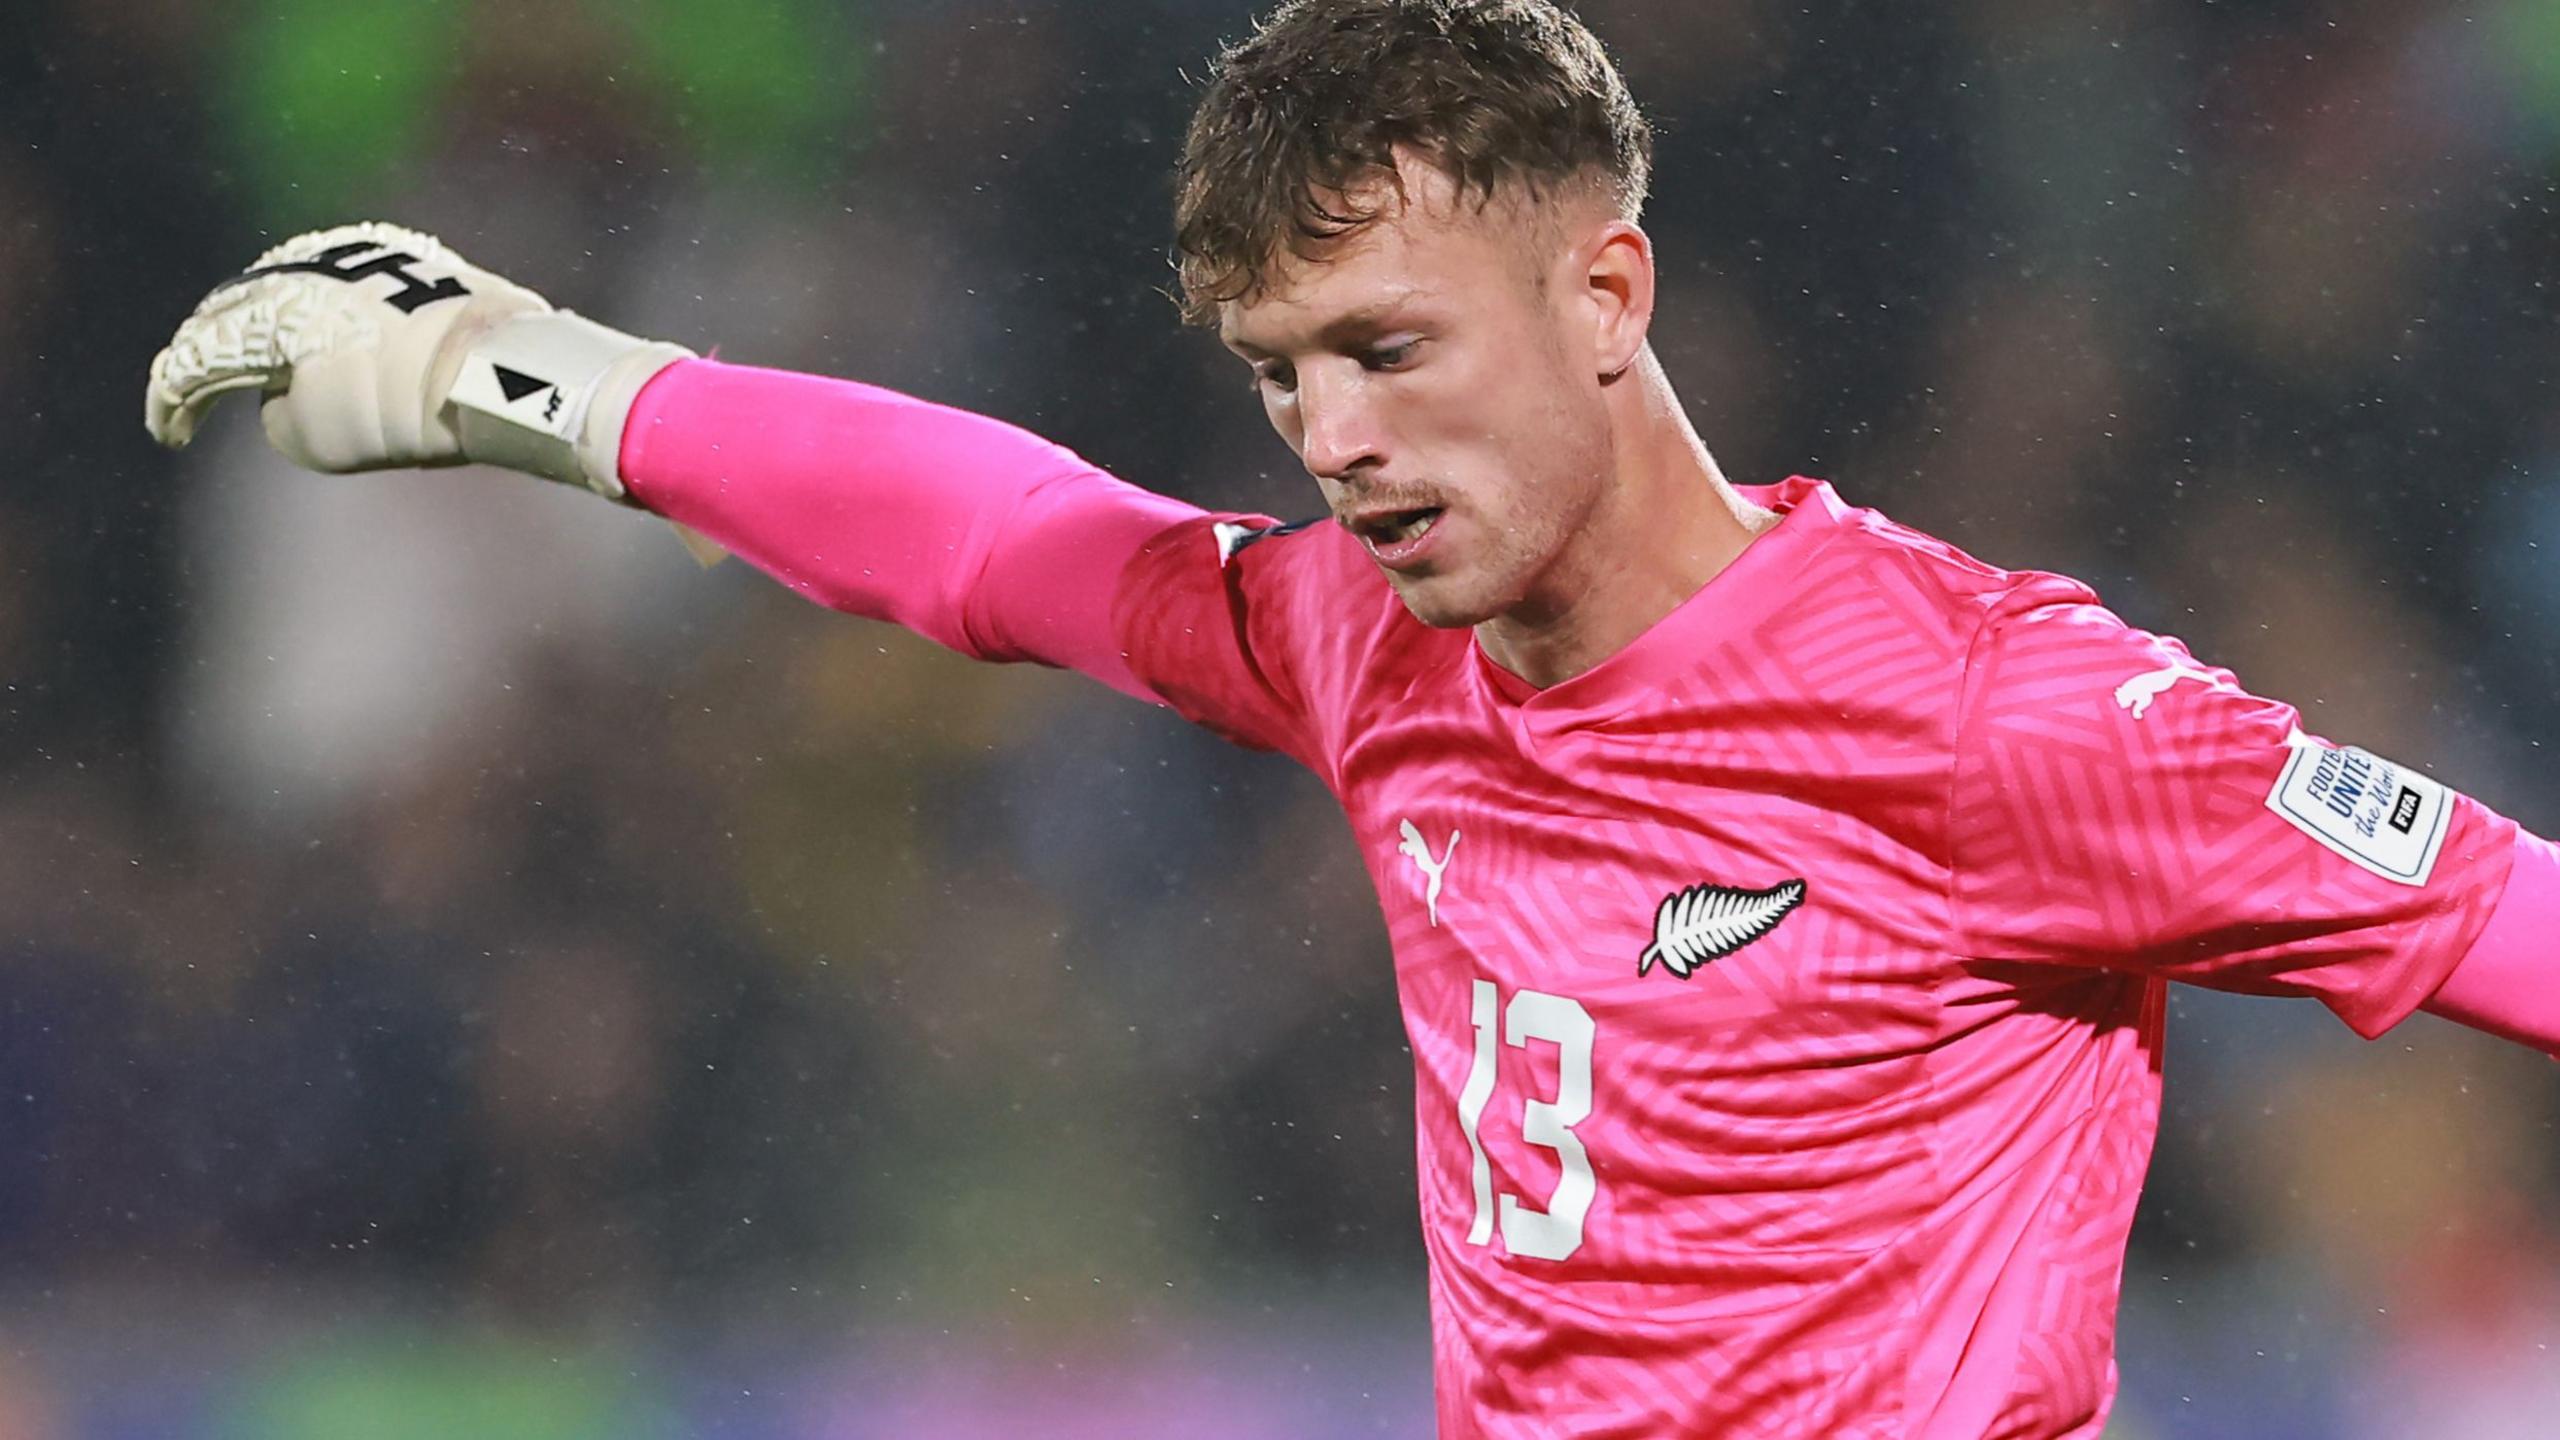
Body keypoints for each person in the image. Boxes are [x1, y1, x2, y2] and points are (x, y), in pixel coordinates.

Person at [142, 1, 2560, 1434]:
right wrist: (531, 377)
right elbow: (1005, 536)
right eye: (1282, 374)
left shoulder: (2000, 714)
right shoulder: (1359, 642)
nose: (1337, 441)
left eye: (1389, 349)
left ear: (1604, 293)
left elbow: (2508, 924)